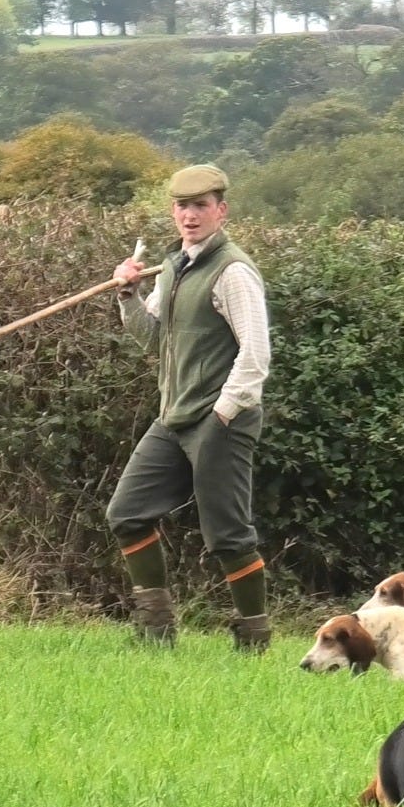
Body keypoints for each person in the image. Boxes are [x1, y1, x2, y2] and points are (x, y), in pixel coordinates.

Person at [106, 163, 272, 652]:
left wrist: (223, 414)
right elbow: (152, 338)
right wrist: (128, 294)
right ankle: (155, 631)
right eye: (182, 206)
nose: (190, 215)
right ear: (173, 211)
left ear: (221, 210)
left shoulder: (233, 271)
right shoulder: (175, 265)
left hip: (220, 419)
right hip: (174, 417)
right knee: (127, 513)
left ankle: (254, 640)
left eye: (201, 206)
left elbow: (256, 354)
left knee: (228, 535)